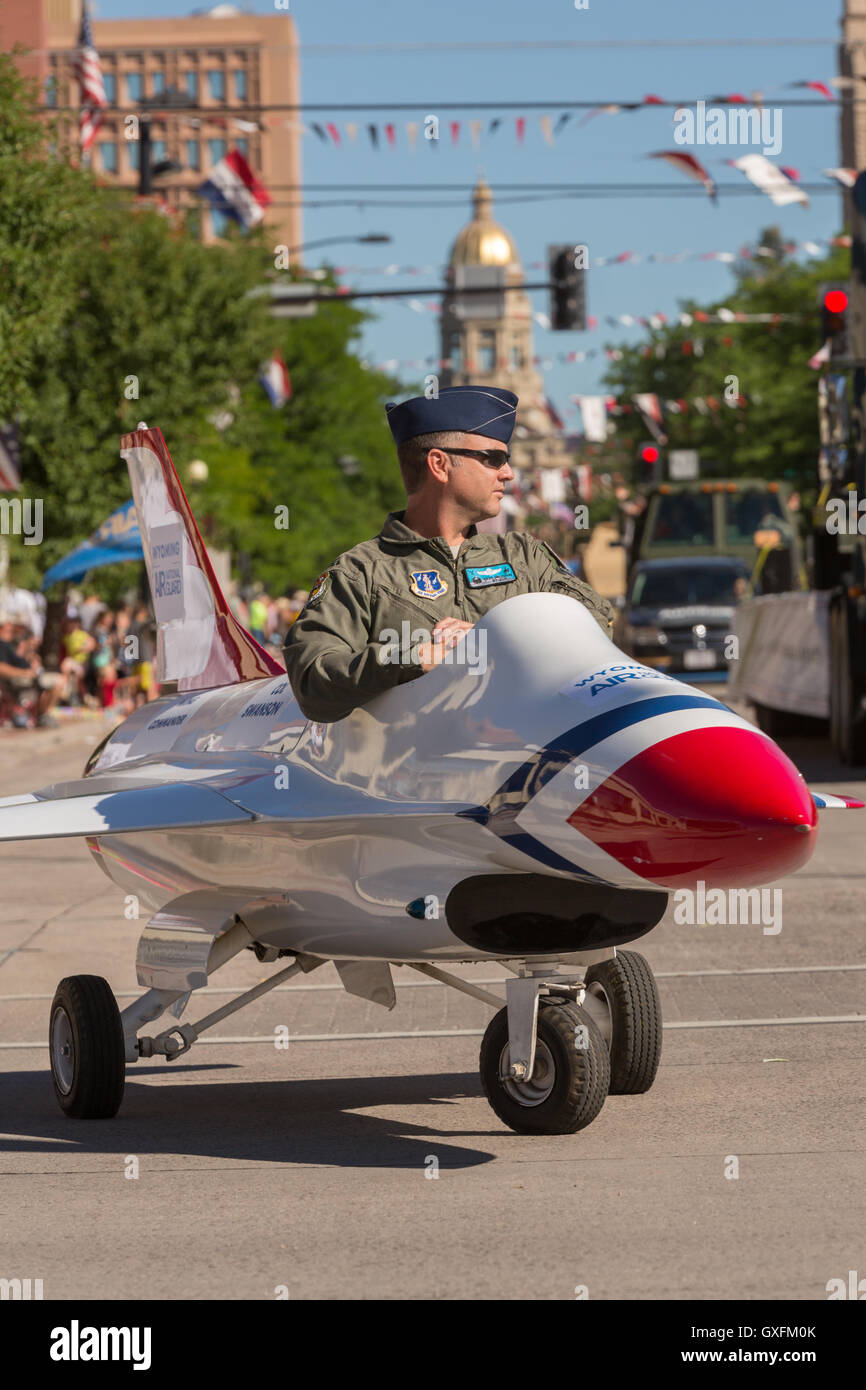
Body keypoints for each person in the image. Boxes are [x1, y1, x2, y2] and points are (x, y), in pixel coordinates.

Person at [284, 385, 614, 723]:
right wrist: (417, 656)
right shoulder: (361, 573)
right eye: (493, 459)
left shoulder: (525, 558)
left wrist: (493, 638)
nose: (508, 473)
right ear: (440, 464)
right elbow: (312, 681)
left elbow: (600, 625)